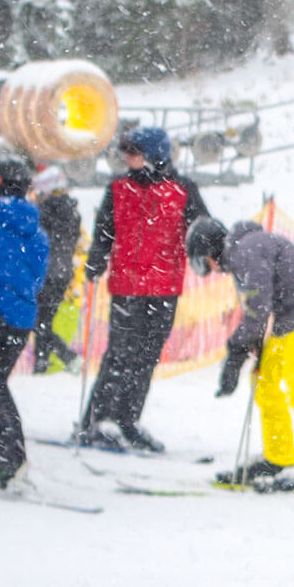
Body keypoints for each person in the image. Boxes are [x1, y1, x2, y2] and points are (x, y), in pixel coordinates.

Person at [78, 125, 208, 451]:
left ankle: (127, 418)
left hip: (164, 288)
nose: (128, 158)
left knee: (146, 358)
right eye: (127, 152)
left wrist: (210, 248)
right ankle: (97, 418)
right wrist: (96, 259)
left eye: (134, 152)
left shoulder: (182, 189)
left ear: (154, 155)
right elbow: (105, 229)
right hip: (127, 286)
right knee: (120, 354)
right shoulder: (119, 188)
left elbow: (200, 228)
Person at [186, 216, 294, 491]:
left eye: (203, 263)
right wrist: (244, 345)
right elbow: (260, 308)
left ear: (210, 252)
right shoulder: (242, 251)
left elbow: (257, 306)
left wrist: (238, 349)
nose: (210, 271)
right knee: (266, 383)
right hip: (288, 317)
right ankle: (279, 457)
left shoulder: (247, 250)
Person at [0, 153, 49, 487]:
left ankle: (7, 458)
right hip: (19, 320)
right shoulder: (36, 231)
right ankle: (3, 454)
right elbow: (36, 280)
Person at [30, 165, 82, 373]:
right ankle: (41, 364)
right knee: (45, 320)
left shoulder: (43, 212)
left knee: (38, 322)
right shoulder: (72, 211)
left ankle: (67, 357)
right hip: (63, 272)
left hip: (45, 272)